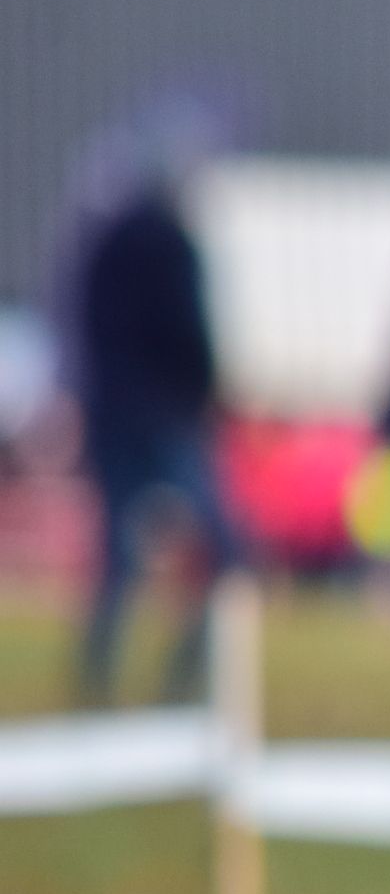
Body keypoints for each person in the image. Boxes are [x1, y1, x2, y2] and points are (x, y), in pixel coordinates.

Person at [66, 115, 243, 706]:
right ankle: (187, 677)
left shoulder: (105, 243)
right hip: (168, 416)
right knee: (224, 548)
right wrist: (206, 392)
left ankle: (98, 679)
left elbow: (85, 329)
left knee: (117, 555)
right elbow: (189, 332)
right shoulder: (171, 243)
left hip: (115, 413)